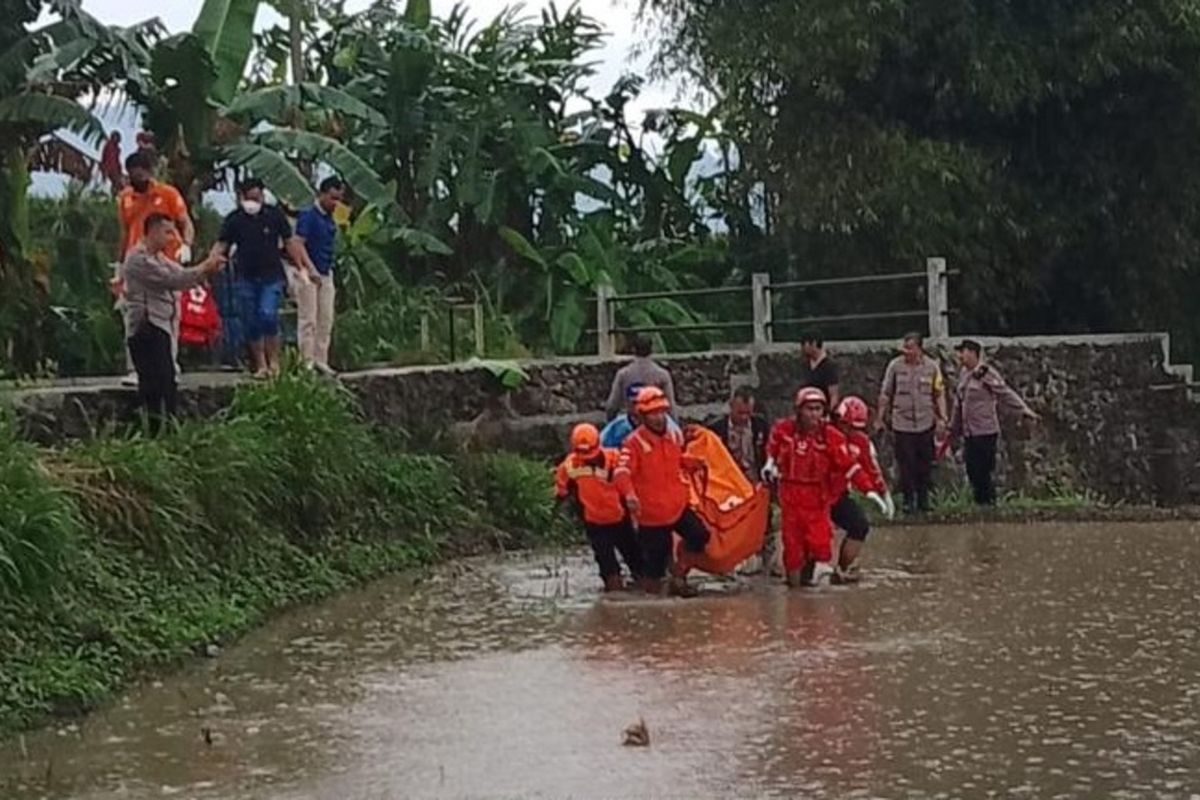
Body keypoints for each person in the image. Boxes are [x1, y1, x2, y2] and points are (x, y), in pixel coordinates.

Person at [763, 387, 888, 587]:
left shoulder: (831, 437)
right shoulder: (785, 429)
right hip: (792, 498)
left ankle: (817, 580)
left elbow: (850, 466)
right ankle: (795, 595)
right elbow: (773, 446)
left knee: (819, 546)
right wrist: (770, 463)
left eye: (818, 409)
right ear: (799, 410)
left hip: (818, 500)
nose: (814, 414)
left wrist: (870, 490)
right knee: (793, 551)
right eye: (809, 409)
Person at [121, 214, 226, 429]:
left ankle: (165, 429)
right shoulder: (138, 259)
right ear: (152, 231)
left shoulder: (160, 259)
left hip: (163, 327)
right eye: (167, 232)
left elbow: (183, 274)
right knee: (154, 383)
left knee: (167, 382)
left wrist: (206, 270)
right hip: (147, 327)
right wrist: (205, 267)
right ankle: (153, 430)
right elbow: (174, 280)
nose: (171, 238)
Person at [614, 386, 711, 597]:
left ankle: (679, 574)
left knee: (700, 535)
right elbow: (621, 472)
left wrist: (691, 463)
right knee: (654, 569)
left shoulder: (674, 436)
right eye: (652, 413)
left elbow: (676, 461)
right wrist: (629, 494)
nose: (658, 418)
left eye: (661, 412)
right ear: (642, 416)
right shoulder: (633, 443)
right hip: (651, 516)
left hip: (677, 507)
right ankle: (653, 608)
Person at [216, 178, 315, 378]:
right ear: (242, 197)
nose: (254, 201)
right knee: (251, 321)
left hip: (271, 276)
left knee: (268, 315)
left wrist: (302, 268)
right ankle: (261, 365)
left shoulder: (274, 215)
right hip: (246, 276)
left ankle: (274, 362)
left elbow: (289, 243)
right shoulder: (234, 219)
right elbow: (222, 245)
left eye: (258, 197)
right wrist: (211, 264)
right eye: (250, 197)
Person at [116, 151, 195, 386]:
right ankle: (136, 369)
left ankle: (169, 366)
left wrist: (187, 247)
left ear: (149, 172)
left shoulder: (167, 194)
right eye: (132, 173)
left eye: (140, 173)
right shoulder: (125, 198)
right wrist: (119, 266)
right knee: (133, 317)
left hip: (167, 262)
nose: (136, 177)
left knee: (168, 316)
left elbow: (185, 222)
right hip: (137, 265)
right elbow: (124, 231)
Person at [949, 339, 1041, 505]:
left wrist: (1023, 409)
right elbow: (959, 402)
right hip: (969, 431)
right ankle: (980, 503)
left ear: (972, 353)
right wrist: (953, 427)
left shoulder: (986, 373)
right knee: (972, 470)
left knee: (984, 471)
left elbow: (1004, 393)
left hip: (985, 430)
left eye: (963, 352)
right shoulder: (963, 374)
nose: (960, 356)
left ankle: (989, 504)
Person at [555, 423, 643, 592]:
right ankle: (614, 601)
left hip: (621, 520)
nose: (589, 459)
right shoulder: (569, 467)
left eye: (591, 454)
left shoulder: (615, 459)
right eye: (584, 455)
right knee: (609, 570)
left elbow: (632, 479)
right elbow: (561, 491)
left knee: (638, 564)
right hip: (595, 524)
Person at [874, 332, 947, 514]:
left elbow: (938, 393)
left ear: (919, 348)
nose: (906, 351)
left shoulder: (932, 367)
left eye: (910, 348)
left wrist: (943, 418)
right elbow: (885, 393)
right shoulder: (895, 367)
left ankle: (924, 501)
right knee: (906, 464)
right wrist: (880, 417)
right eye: (904, 348)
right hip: (902, 424)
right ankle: (908, 501)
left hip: (925, 422)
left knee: (925, 464)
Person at [706, 386, 776, 575]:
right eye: (740, 413)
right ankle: (733, 561)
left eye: (748, 413)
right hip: (728, 485)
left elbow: (772, 451)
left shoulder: (761, 425)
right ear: (730, 407)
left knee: (765, 520)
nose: (744, 417)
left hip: (756, 480)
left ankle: (768, 562)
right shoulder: (715, 429)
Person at [830, 396, 895, 583]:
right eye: (847, 426)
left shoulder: (861, 441)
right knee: (814, 539)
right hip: (815, 496)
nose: (850, 431)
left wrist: (883, 493)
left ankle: (843, 569)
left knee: (859, 525)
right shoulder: (825, 434)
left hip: (839, 495)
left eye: (856, 428)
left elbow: (870, 468)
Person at [292, 177, 345, 374]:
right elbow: (298, 243)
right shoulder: (308, 215)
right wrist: (310, 268)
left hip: (325, 271)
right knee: (309, 319)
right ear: (322, 194)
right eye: (332, 198)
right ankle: (306, 362)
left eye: (338, 199)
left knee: (325, 318)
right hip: (307, 272)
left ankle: (321, 359)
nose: (335, 203)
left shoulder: (330, 219)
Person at [604, 335, 677, 419]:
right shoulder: (662, 375)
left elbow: (612, 405)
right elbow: (670, 407)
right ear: (651, 350)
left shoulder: (623, 374)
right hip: (654, 421)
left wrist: (611, 423)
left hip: (628, 421)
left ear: (633, 350)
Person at [601, 382, 682, 449]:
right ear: (626, 403)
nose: (636, 407)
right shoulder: (617, 426)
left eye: (642, 402)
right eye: (633, 403)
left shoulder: (669, 427)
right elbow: (601, 446)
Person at [798, 332, 840, 410]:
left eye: (804, 344)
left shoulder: (829, 366)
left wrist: (829, 414)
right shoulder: (806, 365)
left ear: (814, 343)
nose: (802, 348)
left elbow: (833, 394)